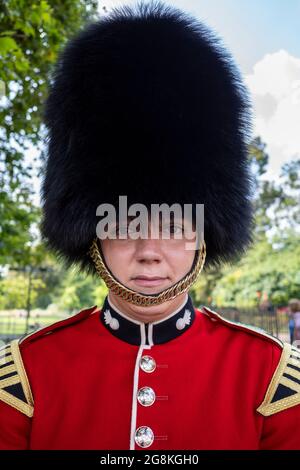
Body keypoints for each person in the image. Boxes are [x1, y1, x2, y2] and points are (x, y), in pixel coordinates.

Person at [1, 1, 300, 450]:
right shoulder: (24, 378)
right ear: (93, 233)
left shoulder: (270, 376)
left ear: (204, 232)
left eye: (176, 223)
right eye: (122, 223)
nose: (148, 250)